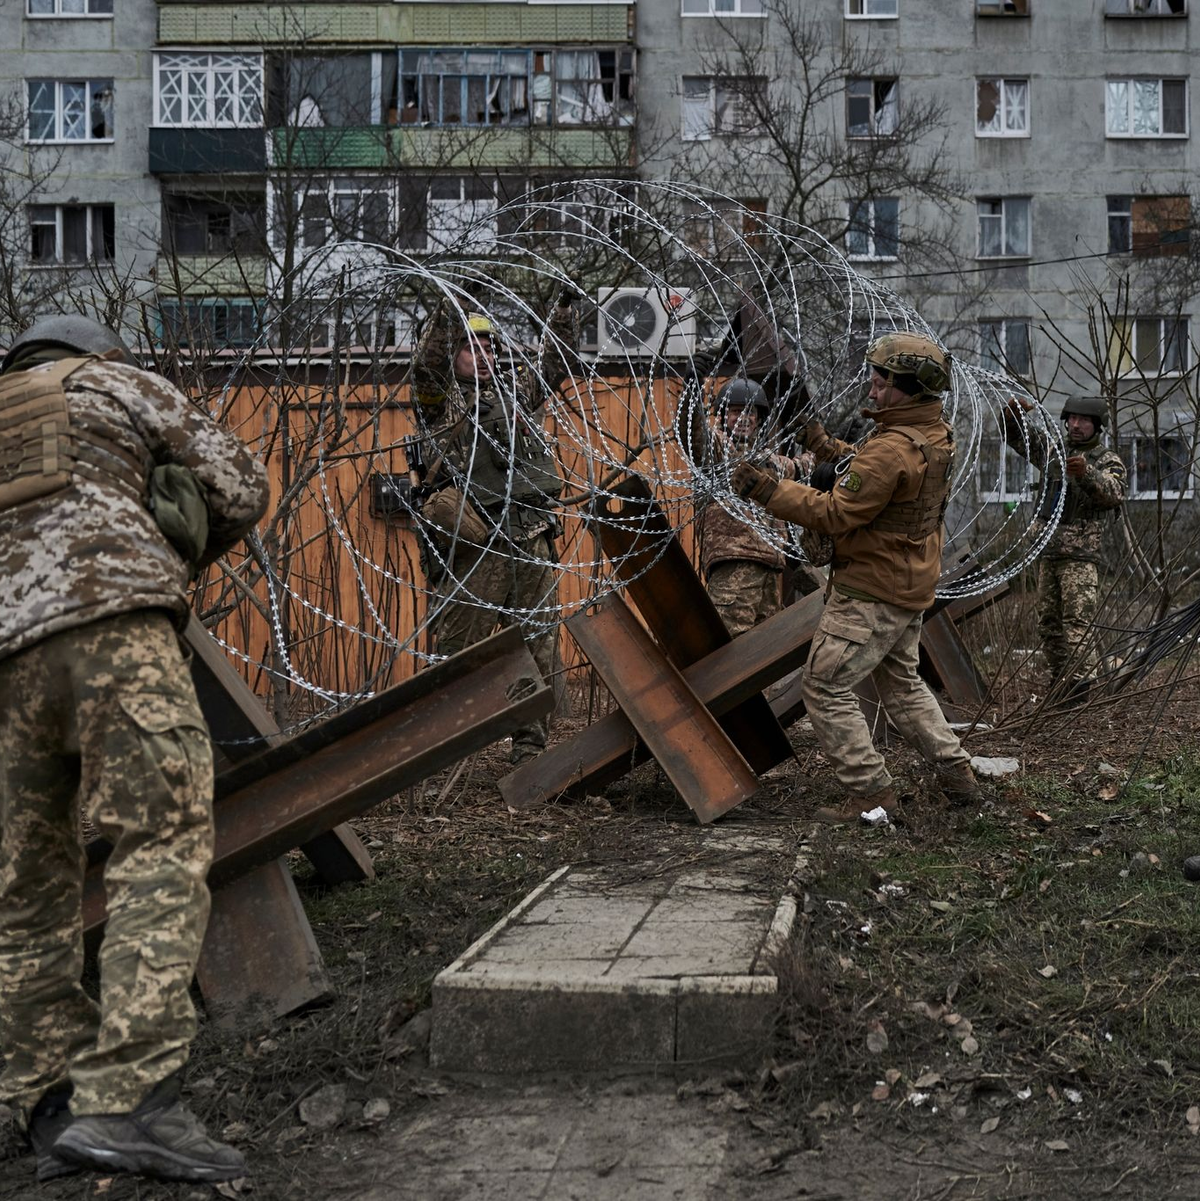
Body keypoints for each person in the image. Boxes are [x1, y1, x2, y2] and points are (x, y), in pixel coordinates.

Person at [0, 315, 269, 1183]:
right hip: (114, 624)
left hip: (3, 667)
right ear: (94, 350)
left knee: (24, 887)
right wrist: (175, 541)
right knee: (159, 839)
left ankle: (49, 1108)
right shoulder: (111, 382)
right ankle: (130, 1099)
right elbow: (241, 485)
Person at [732, 332, 982, 823]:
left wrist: (768, 490)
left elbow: (835, 511)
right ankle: (958, 777)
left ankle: (871, 794)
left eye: (881, 384)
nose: (872, 390)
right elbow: (866, 470)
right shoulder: (931, 434)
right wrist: (819, 442)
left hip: (871, 590)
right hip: (906, 583)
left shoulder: (891, 450)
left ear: (908, 387)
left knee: (825, 686)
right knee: (902, 685)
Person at [410, 296, 579, 765]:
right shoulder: (439, 401)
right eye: (471, 347)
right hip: (477, 544)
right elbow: (426, 366)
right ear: (452, 352)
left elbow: (554, 364)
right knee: (460, 652)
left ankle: (530, 750)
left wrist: (563, 311)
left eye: (488, 347)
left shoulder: (514, 393)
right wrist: (449, 309)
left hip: (528, 536)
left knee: (538, 646)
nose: (483, 356)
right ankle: (443, 753)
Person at [1004, 394, 1126, 697]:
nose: (1076, 425)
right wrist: (1012, 416)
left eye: (1083, 420)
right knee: (1048, 623)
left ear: (1096, 425)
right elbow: (1022, 440)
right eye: (1072, 419)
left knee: (1077, 623)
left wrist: (1085, 473)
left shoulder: (1106, 460)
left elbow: (1114, 493)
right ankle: (1061, 680)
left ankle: (1080, 686)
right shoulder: (1055, 452)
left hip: (1080, 556)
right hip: (1049, 550)